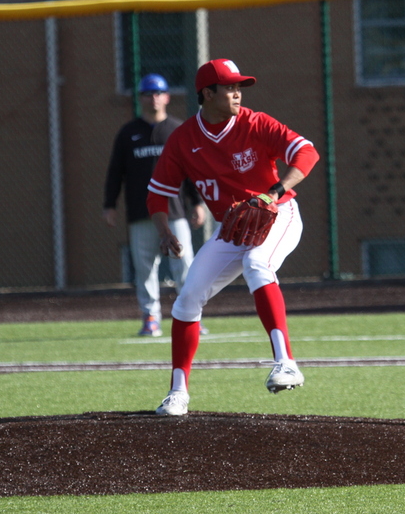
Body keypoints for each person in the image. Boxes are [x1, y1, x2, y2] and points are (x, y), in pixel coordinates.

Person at [145, 59, 320, 416]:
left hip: (277, 213)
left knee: (258, 264)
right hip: (233, 228)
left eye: (239, 86)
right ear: (207, 94)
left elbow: (307, 152)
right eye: (229, 87)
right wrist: (164, 230)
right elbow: (157, 194)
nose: (237, 93)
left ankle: (286, 362)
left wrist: (276, 190)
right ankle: (178, 393)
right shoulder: (183, 139)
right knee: (186, 299)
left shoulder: (256, 123)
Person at [104, 73, 207, 336]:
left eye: (158, 92)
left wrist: (197, 203)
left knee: (184, 266)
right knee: (145, 268)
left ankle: (190, 317)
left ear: (167, 97)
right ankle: (151, 317)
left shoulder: (177, 129)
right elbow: (116, 171)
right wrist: (110, 204)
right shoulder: (128, 133)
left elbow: (191, 170)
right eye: (148, 93)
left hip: (175, 212)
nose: (154, 98)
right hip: (141, 213)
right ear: (140, 98)